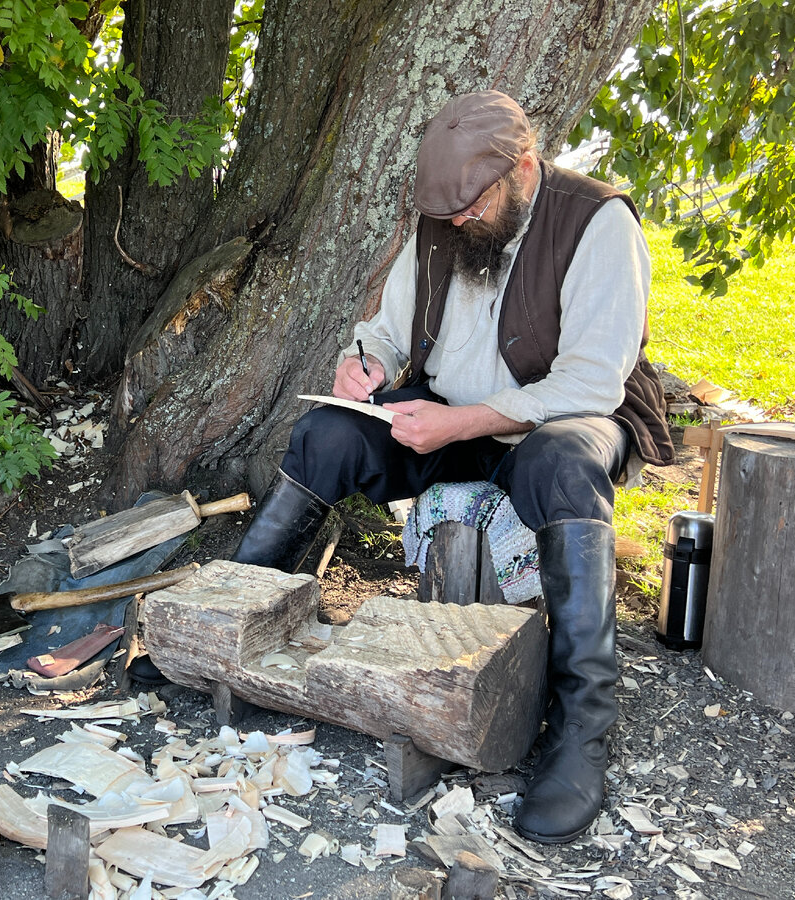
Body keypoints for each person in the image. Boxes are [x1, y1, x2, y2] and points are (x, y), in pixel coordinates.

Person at [230, 90, 675, 844]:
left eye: (474, 205)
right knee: (328, 435)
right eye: (450, 212)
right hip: (450, 421)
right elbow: (385, 334)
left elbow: (591, 384)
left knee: (561, 461)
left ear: (524, 167)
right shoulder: (445, 223)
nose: (460, 222)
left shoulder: (598, 222)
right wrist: (362, 366)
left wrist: (459, 422)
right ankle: (236, 626)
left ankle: (580, 734)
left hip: (562, 426)